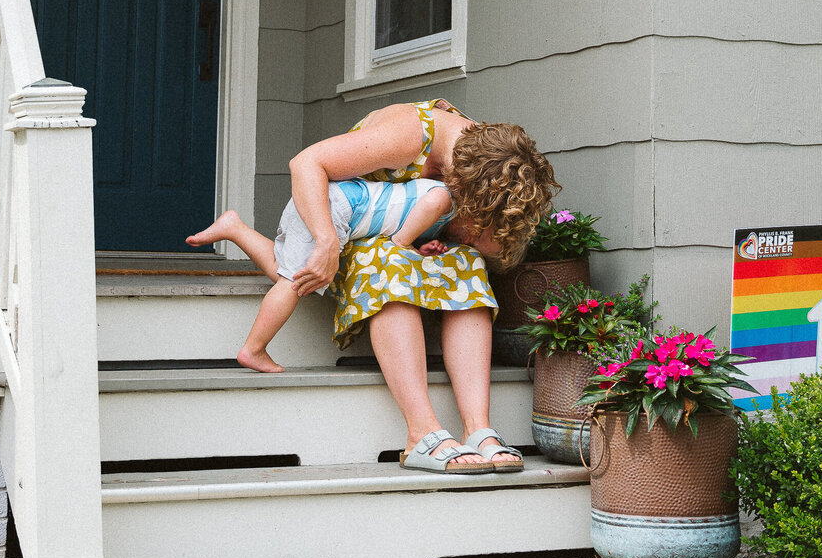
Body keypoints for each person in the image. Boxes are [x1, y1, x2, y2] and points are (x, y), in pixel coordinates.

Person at [284, 99, 560, 475]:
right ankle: (421, 432)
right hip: (344, 228)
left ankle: (478, 428)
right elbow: (305, 164)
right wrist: (325, 241)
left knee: (468, 262)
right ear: (464, 189)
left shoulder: (487, 160)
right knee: (384, 258)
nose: (469, 227)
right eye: (474, 224)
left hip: (408, 237)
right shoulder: (409, 136)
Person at [187, 175, 456, 374]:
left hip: (326, 198)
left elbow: (403, 215)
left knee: (289, 270)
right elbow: (414, 222)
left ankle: (235, 228)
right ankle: (253, 348)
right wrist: (405, 244)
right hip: (335, 207)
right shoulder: (446, 196)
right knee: (292, 281)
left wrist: (422, 246)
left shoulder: (438, 201)